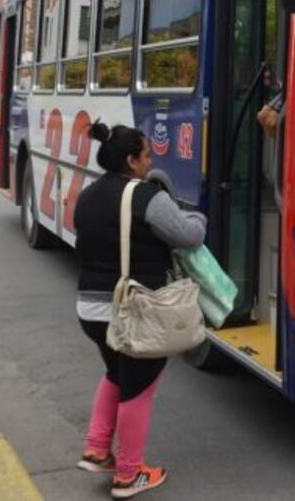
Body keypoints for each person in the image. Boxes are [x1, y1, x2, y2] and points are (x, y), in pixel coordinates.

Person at [73, 122, 207, 498]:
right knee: (138, 389)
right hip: (135, 312)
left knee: (116, 372)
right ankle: (130, 474)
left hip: (91, 309)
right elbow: (188, 235)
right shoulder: (147, 196)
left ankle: (98, 450)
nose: (151, 162)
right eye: (147, 155)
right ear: (132, 160)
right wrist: (199, 218)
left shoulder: (88, 194)